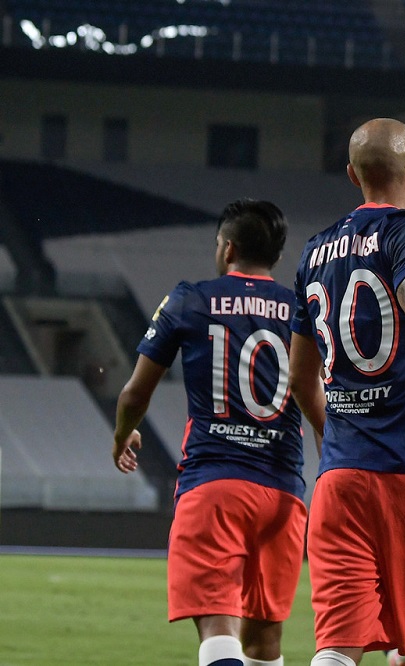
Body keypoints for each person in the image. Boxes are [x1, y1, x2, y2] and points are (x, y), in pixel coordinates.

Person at [288, 118, 405, 666]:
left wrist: (332, 438)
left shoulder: (313, 251)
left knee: (337, 645)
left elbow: (300, 376)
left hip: (340, 475)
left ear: (351, 175)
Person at [113, 199, 307, 666]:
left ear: (227, 248)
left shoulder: (191, 299)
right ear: (275, 257)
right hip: (284, 491)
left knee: (220, 629)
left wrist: (123, 435)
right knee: (265, 641)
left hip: (214, 481)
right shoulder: (299, 308)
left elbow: (135, 394)